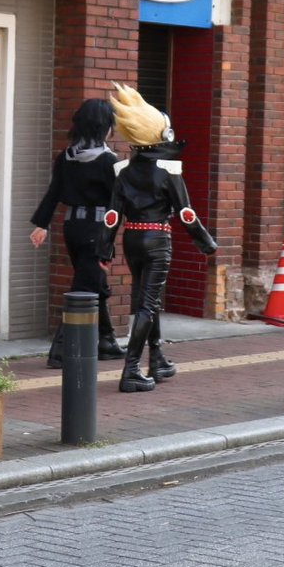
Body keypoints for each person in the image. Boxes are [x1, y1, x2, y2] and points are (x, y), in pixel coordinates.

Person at [98, 83, 217, 393]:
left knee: (146, 299)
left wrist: (104, 249)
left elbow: (112, 214)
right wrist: (206, 242)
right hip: (157, 239)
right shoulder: (168, 169)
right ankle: (131, 370)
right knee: (148, 304)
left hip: (131, 239)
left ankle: (158, 358)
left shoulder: (123, 169)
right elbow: (186, 213)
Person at [30, 98, 125, 368]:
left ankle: (106, 342)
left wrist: (42, 224)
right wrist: (108, 245)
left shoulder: (67, 156)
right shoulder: (108, 161)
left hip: (72, 228)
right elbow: (116, 205)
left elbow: (54, 193)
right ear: (104, 127)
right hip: (97, 229)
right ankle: (60, 350)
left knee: (94, 282)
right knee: (84, 287)